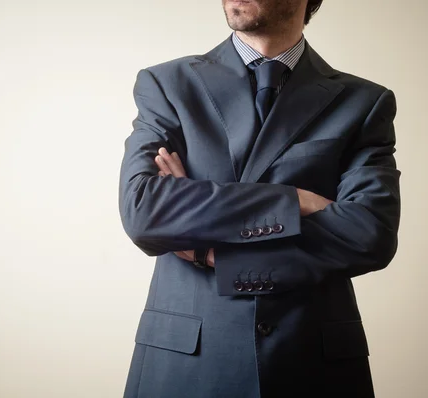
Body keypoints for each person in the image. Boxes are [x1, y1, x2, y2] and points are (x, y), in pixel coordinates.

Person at [118, 0, 401, 396]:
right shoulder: (167, 84)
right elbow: (145, 210)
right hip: (187, 359)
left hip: (310, 359)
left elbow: (370, 234)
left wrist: (209, 251)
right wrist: (293, 201)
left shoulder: (364, 102)